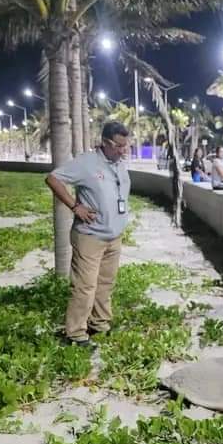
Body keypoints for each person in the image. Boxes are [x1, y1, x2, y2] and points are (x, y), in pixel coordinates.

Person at [45, 121, 131, 346]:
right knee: (85, 286)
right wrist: (76, 206)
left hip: (113, 237)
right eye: (119, 146)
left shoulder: (119, 164)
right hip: (90, 236)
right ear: (105, 142)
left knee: (105, 283)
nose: (123, 150)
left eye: (126, 145)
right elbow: (53, 179)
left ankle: (99, 323)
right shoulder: (87, 162)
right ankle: (75, 333)